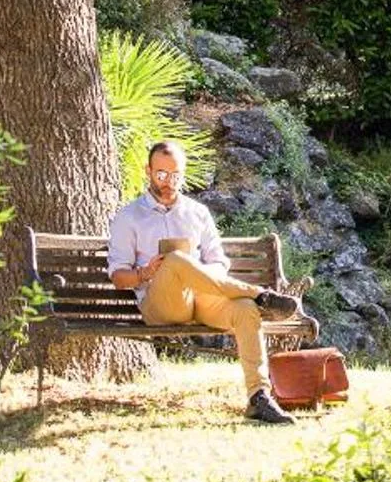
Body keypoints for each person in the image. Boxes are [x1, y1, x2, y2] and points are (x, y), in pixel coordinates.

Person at [107, 140, 302, 425]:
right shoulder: (129, 216)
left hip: (201, 300)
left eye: (175, 175)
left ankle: (258, 397)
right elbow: (118, 277)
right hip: (159, 305)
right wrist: (146, 273)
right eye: (161, 174)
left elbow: (220, 262)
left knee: (245, 308)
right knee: (174, 260)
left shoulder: (197, 212)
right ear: (148, 171)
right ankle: (262, 295)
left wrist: (201, 273)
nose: (168, 182)